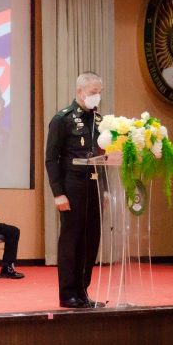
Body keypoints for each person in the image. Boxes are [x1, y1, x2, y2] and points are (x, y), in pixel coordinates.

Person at [45, 71, 105, 309]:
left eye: (99, 92)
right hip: (72, 186)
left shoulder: (100, 121)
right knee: (72, 241)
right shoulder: (63, 119)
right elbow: (51, 159)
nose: (97, 96)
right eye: (93, 92)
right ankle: (68, 293)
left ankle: (83, 291)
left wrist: (105, 190)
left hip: (94, 186)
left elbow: (102, 157)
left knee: (91, 241)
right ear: (80, 92)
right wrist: (58, 193)